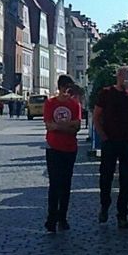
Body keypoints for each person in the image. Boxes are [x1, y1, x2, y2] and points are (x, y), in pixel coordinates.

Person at [93, 65, 128, 229]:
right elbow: (96, 116)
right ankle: (105, 205)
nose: (127, 78)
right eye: (125, 75)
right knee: (106, 176)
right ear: (118, 76)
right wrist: (103, 135)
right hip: (110, 141)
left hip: (127, 141)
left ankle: (122, 214)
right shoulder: (106, 93)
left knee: (126, 179)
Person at [43, 74, 83, 232]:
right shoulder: (50, 103)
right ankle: (51, 218)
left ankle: (63, 218)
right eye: (65, 88)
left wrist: (59, 126)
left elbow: (77, 126)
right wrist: (67, 126)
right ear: (59, 88)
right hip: (53, 147)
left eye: (70, 89)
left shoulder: (75, 105)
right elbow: (49, 125)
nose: (67, 92)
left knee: (66, 185)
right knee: (54, 184)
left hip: (70, 148)